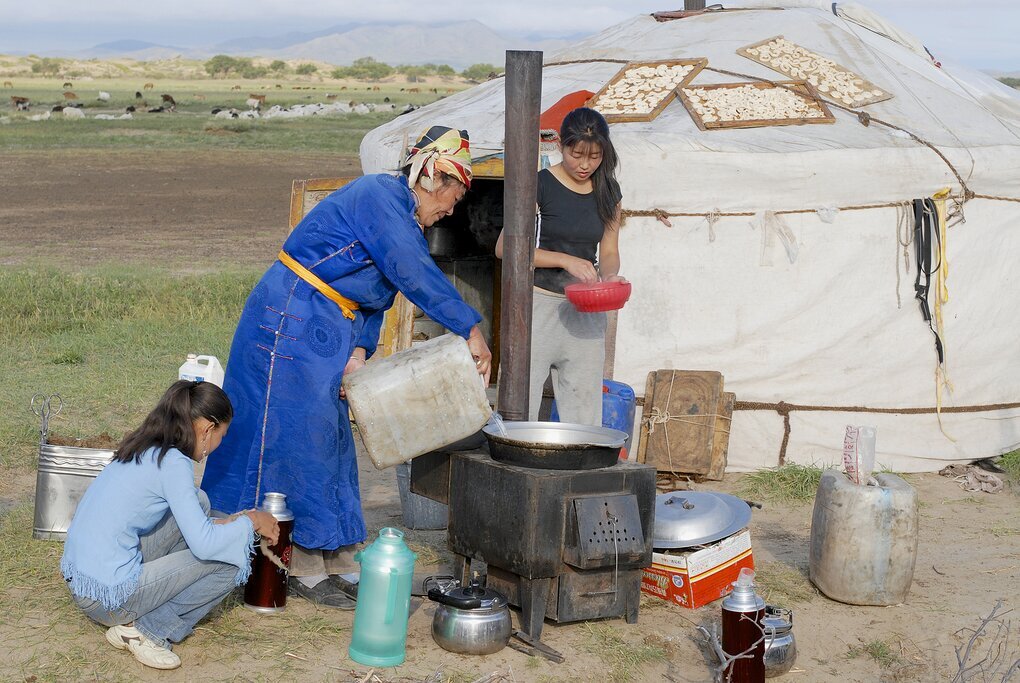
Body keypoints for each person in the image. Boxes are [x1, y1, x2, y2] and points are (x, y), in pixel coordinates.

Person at [201, 125, 492, 610]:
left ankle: (332, 552)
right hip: (290, 316)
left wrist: (359, 352)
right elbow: (408, 269)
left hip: (329, 322)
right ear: (432, 174)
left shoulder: (400, 217)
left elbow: (376, 295)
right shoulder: (380, 195)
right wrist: (469, 328)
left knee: (331, 436)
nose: (450, 210)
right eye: (453, 198)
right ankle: (273, 554)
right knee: (289, 433)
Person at [61, 381, 280, 670]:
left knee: (199, 501)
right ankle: (147, 632)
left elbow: (195, 519)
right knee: (230, 561)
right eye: (222, 435)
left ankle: (150, 609)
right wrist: (251, 521)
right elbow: (205, 545)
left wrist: (232, 524)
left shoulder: (149, 446)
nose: (219, 444)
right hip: (106, 601)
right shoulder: (174, 464)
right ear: (207, 429)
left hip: (84, 584)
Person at [495, 107, 624, 426]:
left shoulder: (609, 191)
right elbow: (504, 248)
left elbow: (608, 250)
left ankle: (580, 470)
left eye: (594, 156)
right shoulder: (538, 185)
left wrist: (609, 276)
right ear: (560, 146)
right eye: (576, 153)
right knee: (519, 404)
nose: (584, 164)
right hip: (537, 307)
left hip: (586, 311)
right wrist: (565, 260)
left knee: (584, 406)